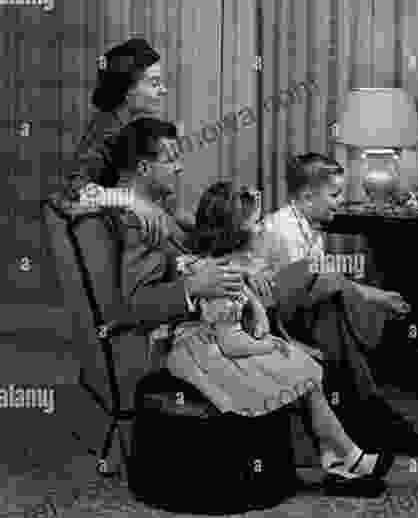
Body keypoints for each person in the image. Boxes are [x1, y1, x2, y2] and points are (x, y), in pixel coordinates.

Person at [110, 118, 395, 497]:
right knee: (314, 290)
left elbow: (200, 242)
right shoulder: (136, 221)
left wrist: (243, 270)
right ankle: (351, 445)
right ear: (144, 167)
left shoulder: (156, 207)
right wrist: (197, 285)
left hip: (221, 316)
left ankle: (349, 445)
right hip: (197, 337)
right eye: (171, 160)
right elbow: (133, 305)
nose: (179, 167)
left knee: (317, 284)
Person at [256, 153, 418, 457]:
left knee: (333, 302)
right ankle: (372, 419)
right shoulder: (282, 231)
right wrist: (375, 296)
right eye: (334, 194)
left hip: (303, 312)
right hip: (268, 322)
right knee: (332, 302)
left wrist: (374, 296)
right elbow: (299, 289)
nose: (339, 202)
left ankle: (368, 419)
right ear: (307, 195)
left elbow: (321, 282)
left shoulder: (309, 228)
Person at [49, 37, 188, 245]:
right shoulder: (107, 128)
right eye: (154, 83)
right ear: (128, 91)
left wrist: (174, 209)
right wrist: (132, 200)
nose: (163, 90)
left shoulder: (132, 127)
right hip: (112, 247)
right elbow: (74, 190)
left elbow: (143, 180)